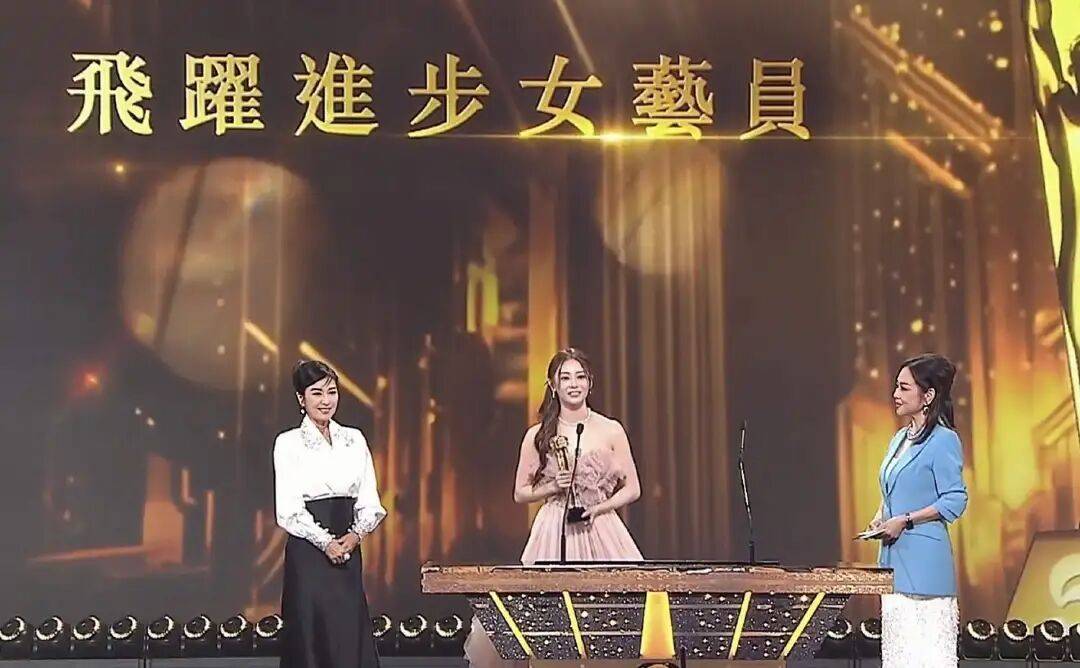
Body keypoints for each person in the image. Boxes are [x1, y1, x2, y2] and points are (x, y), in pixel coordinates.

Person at [465, 347, 643, 666]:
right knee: (549, 617)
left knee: (612, 612)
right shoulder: (538, 435)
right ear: (553, 385)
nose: (574, 384)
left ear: (590, 382)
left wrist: (600, 509)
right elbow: (520, 492)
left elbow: (633, 488)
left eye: (580, 377)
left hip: (600, 525)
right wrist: (552, 486)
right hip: (555, 525)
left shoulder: (611, 429)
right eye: (566, 378)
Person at [274, 360, 387, 667]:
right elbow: (288, 509)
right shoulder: (288, 444)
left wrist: (355, 536)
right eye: (316, 393)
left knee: (347, 635)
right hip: (308, 553)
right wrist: (326, 543)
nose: (326, 400)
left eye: (332, 392)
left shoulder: (354, 439)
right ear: (301, 398)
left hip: (348, 551)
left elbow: (370, 501)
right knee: (311, 634)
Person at [868, 353, 968, 667]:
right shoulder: (899, 439)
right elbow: (893, 488)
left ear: (928, 396)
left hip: (925, 566)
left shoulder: (944, 440)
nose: (895, 394)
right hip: (893, 563)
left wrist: (907, 520)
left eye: (904, 388)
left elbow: (955, 499)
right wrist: (881, 515)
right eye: (896, 387)